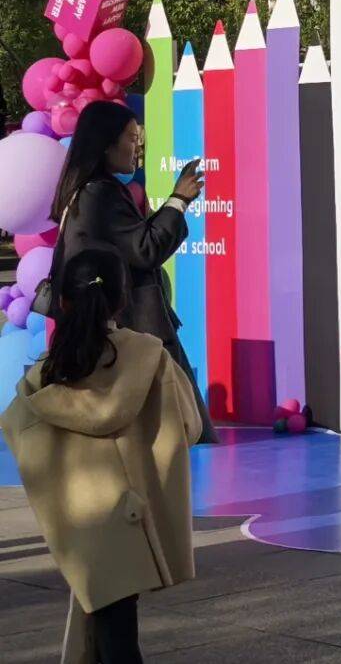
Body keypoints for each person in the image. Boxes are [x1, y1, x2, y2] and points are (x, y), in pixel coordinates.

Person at [0, 248, 202, 664]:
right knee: (118, 636)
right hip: (138, 511)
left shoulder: (46, 376)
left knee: (109, 628)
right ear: (122, 299)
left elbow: (21, 435)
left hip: (85, 523)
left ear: (64, 301)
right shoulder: (150, 357)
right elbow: (189, 425)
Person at [47, 100, 216, 443]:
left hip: (107, 329)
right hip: (131, 328)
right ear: (106, 143)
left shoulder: (85, 192)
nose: (136, 147)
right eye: (130, 137)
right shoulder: (100, 193)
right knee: (177, 425)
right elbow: (145, 248)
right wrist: (178, 201)